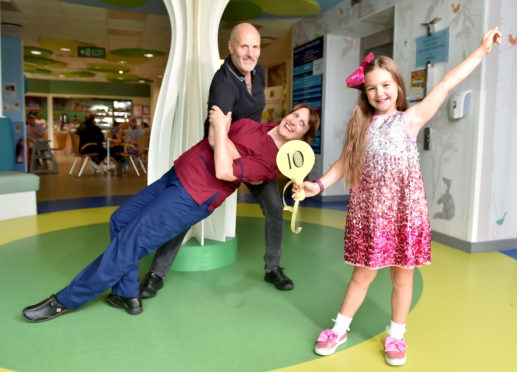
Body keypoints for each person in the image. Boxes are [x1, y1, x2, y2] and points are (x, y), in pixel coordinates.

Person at [294, 27, 501, 366]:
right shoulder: (360, 126)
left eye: (386, 85)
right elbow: (344, 163)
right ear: (365, 92)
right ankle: (340, 328)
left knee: (402, 276)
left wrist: (480, 51)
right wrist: (318, 185)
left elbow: (447, 83)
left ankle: (396, 336)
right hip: (370, 212)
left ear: (398, 87)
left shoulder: (411, 118)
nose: (380, 92)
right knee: (362, 274)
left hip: (405, 211)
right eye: (372, 87)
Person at [22, 103, 320, 323]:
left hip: (194, 195)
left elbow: (224, 169)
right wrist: (224, 139)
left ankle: (64, 300)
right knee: (121, 220)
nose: (294, 120)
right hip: (177, 174)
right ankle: (127, 294)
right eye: (295, 114)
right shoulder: (256, 127)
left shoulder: (273, 163)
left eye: (302, 123)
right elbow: (218, 144)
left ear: (303, 137)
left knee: (130, 244)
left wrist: (220, 129)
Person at [140, 22, 293, 299]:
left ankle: (273, 268)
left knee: (274, 207)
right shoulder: (223, 83)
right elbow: (215, 137)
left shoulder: (258, 72)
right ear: (231, 47)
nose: (250, 53)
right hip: (222, 152)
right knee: (190, 209)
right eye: (244, 46)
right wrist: (248, 171)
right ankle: (156, 274)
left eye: (255, 46)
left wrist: (258, 161)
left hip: (254, 152)